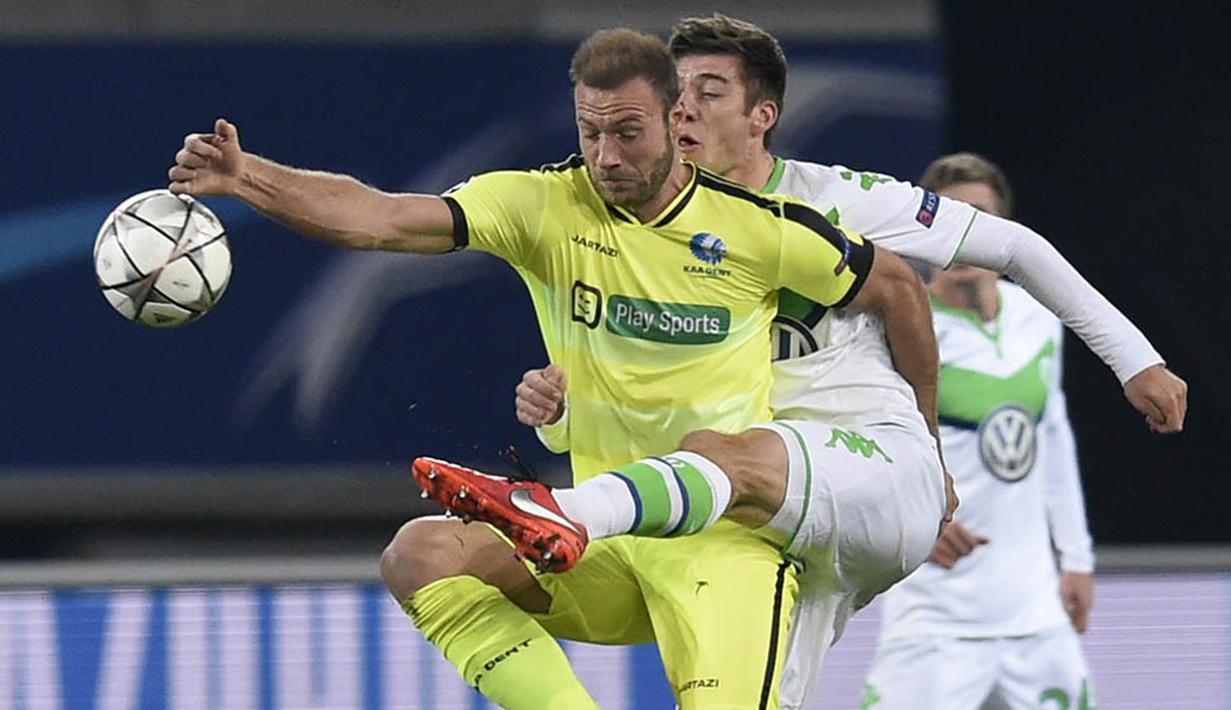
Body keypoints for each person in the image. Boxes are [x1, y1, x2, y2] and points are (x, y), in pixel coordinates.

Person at [168, 28, 943, 710]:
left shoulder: (756, 228)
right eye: (590, 131)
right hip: (588, 549)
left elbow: (898, 288)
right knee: (421, 553)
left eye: (628, 133)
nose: (606, 156)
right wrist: (248, 178)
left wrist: (929, 446)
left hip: (722, 547)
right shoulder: (541, 207)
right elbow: (382, 218)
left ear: (675, 119)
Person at [467, 14, 1186, 710]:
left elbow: (1009, 249)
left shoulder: (836, 200)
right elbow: (631, 404)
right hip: (767, 517)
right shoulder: (639, 234)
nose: (684, 109)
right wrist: (558, 418)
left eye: (709, 92)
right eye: (675, 93)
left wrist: (1134, 361)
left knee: (721, 452)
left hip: (864, 463)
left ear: (763, 116)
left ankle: (566, 512)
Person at [860, 153, 1098, 710]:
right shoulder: (897, 329)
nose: (963, 237)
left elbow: (1053, 437)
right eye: (947, 219)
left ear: (1006, 233)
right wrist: (911, 524)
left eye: (980, 220)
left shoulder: (1038, 317)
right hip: (935, 621)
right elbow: (864, 451)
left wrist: (1077, 558)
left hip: (1035, 614)